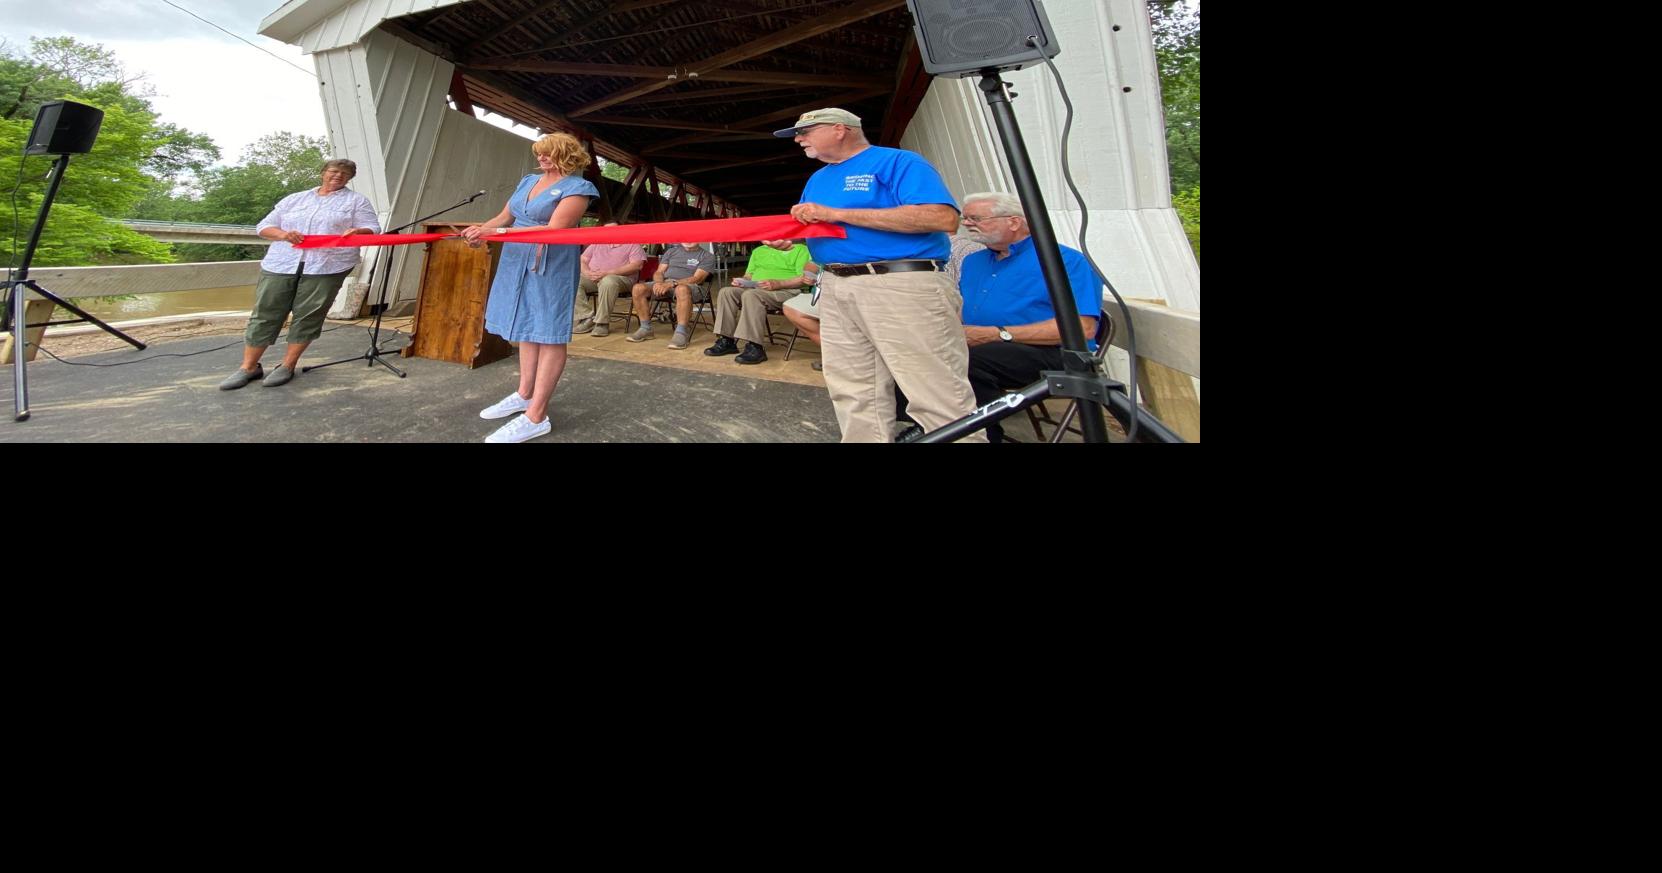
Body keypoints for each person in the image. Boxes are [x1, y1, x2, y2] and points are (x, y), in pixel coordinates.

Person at [768, 108, 983, 441]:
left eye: (806, 131)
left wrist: (835, 213)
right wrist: (792, 239)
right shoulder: (818, 178)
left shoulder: (899, 163)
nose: (798, 139)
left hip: (900, 283)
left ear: (840, 129)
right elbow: (823, 227)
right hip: (837, 284)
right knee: (854, 388)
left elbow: (941, 218)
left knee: (936, 389)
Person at [461, 132, 599, 443]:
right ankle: (524, 393)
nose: (541, 158)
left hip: (550, 262)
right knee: (525, 327)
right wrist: (480, 230)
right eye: (539, 153)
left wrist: (496, 230)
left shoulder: (580, 187)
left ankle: (537, 415)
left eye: (548, 153)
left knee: (548, 332)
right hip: (516, 258)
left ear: (566, 154)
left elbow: (556, 228)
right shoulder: (527, 181)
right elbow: (504, 216)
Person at [952, 191, 1105, 442]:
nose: (967, 224)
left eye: (976, 218)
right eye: (965, 218)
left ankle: (986, 436)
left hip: (1052, 353)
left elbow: (1083, 328)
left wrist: (997, 334)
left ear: (1013, 222)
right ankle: (930, 428)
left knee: (967, 360)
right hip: (985, 346)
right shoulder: (974, 261)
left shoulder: (1063, 260)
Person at [218, 158, 379, 390]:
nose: (338, 176)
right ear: (323, 172)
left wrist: (359, 230)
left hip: (327, 264)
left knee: (309, 314)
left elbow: (373, 228)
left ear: (350, 178)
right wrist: (284, 235)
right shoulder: (295, 198)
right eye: (334, 171)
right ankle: (249, 367)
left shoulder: (356, 201)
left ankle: (287, 365)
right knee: (266, 311)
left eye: (345, 174)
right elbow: (264, 226)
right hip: (282, 263)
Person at [703, 242, 813, 364]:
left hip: (786, 291)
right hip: (757, 289)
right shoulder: (759, 251)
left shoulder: (801, 250)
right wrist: (743, 281)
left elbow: (803, 279)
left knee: (751, 295)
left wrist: (779, 284)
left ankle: (755, 347)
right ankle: (726, 340)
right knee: (726, 292)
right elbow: (749, 275)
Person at [626, 242, 715, 349]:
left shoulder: (706, 256)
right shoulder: (671, 252)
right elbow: (659, 272)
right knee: (638, 288)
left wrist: (672, 284)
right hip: (666, 284)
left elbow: (697, 278)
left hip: (692, 286)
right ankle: (645, 328)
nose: (689, 240)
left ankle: (681, 332)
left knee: (681, 289)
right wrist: (659, 283)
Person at [575, 222, 644, 337]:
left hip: (622, 280)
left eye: (613, 229)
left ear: (621, 230)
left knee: (608, 281)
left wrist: (607, 273)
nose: (609, 232)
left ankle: (602, 323)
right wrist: (587, 272)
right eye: (606, 230)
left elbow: (637, 266)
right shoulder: (598, 243)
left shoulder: (632, 244)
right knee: (573, 280)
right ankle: (587, 317)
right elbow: (583, 259)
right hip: (595, 278)